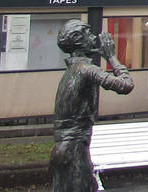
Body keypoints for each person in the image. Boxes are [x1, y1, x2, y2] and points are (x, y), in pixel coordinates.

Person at [50, 20, 134, 192]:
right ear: (77, 38)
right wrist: (111, 57)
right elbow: (126, 85)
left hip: (65, 152)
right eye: (88, 33)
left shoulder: (71, 72)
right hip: (74, 153)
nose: (93, 37)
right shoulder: (86, 70)